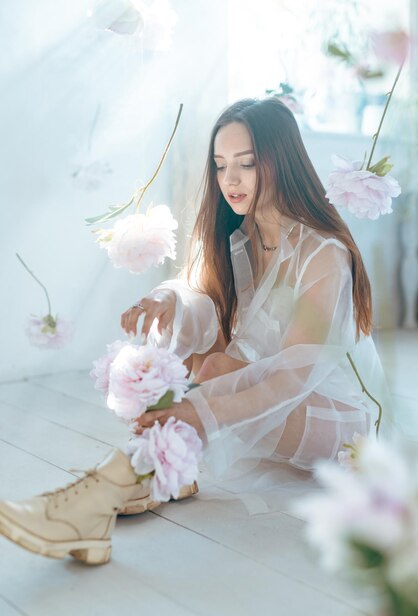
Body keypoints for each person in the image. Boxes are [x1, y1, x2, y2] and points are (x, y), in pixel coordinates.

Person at [0, 97, 391, 565]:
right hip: (276, 393)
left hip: (336, 423)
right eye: (221, 165)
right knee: (201, 363)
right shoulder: (240, 236)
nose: (231, 180)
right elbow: (201, 295)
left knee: (214, 374)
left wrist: (201, 412)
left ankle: (91, 501)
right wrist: (167, 298)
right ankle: (115, 494)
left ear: (281, 161)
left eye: (246, 164)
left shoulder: (323, 254)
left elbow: (291, 378)